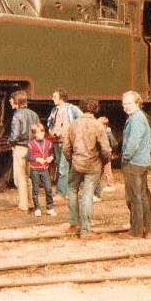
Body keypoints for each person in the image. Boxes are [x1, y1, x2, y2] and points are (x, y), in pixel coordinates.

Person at [64, 98, 112, 239]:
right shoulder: (98, 126)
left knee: (72, 190)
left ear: (82, 108)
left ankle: (73, 225)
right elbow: (106, 150)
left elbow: (66, 148)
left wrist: (72, 160)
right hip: (93, 165)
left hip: (76, 163)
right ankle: (85, 230)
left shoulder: (73, 124)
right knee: (87, 194)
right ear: (96, 109)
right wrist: (103, 162)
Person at [120, 91, 151, 238]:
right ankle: (147, 229)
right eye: (124, 103)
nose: (125, 106)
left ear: (137, 103)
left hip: (134, 162)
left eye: (129, 103)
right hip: (141, 162)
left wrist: (125, 157)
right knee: (142, 195)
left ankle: (137, 230)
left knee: (135, 197)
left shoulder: (136, 119)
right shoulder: (138, 117)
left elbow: (133, 142)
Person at [46, 89, 82, 198]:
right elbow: (49, 123)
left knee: (63, 167)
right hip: (56, 141)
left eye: (55, 97)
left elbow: (81, 119)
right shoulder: (54, 110)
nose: (52, 98)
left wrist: (73, 132)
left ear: (61, 98)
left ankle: (62, 193)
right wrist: (51, 130)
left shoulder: (72, 109)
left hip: (67, 141)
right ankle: (65, 190)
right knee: (59, 165)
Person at [8, 90, 39, 213]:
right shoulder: (34, 114)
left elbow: (15, 135)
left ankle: (23, 206)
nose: (10, 101)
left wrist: (10, 142)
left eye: (11, 99)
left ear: (16, 101)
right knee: (28, 176)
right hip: (31, 147)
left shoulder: (17, 115)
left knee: (20, 177)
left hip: (20, 148)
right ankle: (31, 203)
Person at [27, 123, 57, 217]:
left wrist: (51, 157)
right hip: (35, 169)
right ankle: (37, 208)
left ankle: (50, 208)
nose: (41, 134)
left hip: (45, 169)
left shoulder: (48, 143)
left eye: (42, 131)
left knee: (48, 189)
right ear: (34, 134)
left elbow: (52, 153)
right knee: (35, 190)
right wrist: (36, 159)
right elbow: (28, 157)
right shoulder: (31, 144)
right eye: (38, 132)